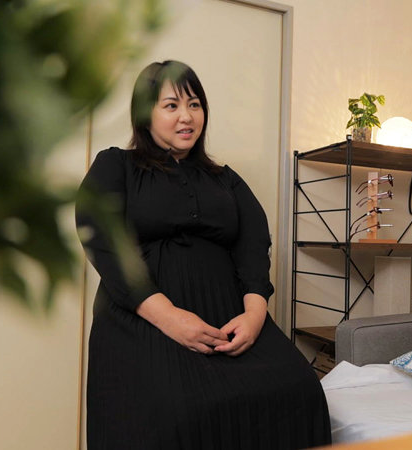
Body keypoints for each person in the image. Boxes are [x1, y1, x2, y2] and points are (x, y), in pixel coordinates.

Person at [76, 60, 331, 449]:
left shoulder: (225, 179)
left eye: (194, 105)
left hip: (229, 317)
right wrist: (170, 317)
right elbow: (102, 238)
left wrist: (254, 315)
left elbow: (253, 244)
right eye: (171, 105)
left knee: (300, 389)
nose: (187, 116)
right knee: (180, 410)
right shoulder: (116, 166)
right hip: (143, 317)